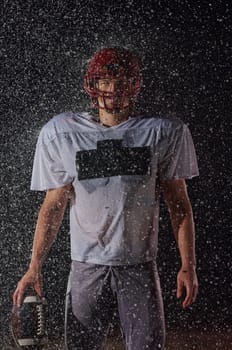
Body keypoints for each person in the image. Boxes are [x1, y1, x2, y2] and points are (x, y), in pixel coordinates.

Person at [13, 47, 199, 350]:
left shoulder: (163, 131)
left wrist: (188, 265)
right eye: (105, 81)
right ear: (92, 84)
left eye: (121, 80)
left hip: (138, 264)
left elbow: (179, 207)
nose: (112, 89)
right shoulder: (62, 132)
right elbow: (53, 206)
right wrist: (34, 266)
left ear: (134, 84)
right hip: (86, 265)